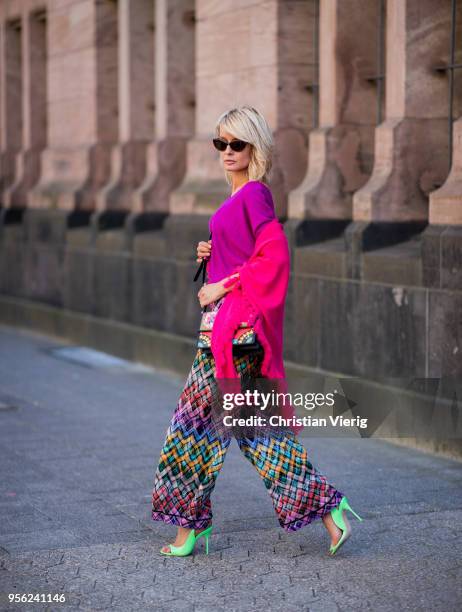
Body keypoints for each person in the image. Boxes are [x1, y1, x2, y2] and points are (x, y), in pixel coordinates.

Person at [151, 105, 363, 557]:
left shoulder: (253, 196)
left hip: (233, 336)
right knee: (259, 434)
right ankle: (331, 512)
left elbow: (274, 258)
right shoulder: (237, 198)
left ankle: (189, 531)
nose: (227, 152)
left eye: (237, 144)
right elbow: (246, 251)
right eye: (220, 143)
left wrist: (218, 287)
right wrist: (212, 252)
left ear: (254, 147)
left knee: (191, 432)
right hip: (227, 332)